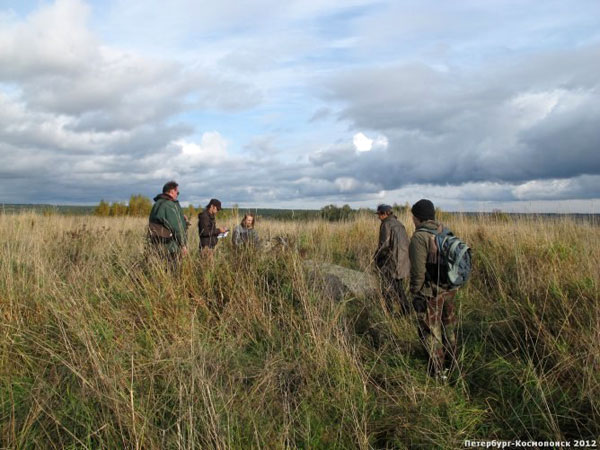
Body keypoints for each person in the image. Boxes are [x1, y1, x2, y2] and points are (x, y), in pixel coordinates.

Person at [409, 199, 457, 380]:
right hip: (450, 288)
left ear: (417, 217)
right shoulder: (445, 231)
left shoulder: (419, 237)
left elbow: (418, 271)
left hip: (430, 292)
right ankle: (453, 366)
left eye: (413, 216)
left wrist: (415, 291)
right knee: (449, 327)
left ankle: (437, 372)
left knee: (430, 331)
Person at [373, 204, 411, 315]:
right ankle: (406, 311)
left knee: (387, 288)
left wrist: (376, 258)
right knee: (398, 288)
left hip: (391, 261)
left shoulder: (386, 224)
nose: (378, 217)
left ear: (385, 214)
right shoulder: (399, 224)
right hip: (402, 261)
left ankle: (389, 312)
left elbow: (384, 245)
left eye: (379, 214)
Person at [148, 180, 188, 270]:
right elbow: (177, 227)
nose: (177, 194)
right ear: (172, 191)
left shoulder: (157, 204)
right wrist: (183, 245)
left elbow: (162, 222)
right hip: (171, 247)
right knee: (173, 272)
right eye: (177, 192)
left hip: (157, 245)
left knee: (160, 271)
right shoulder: (169, 205)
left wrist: (182, 219)